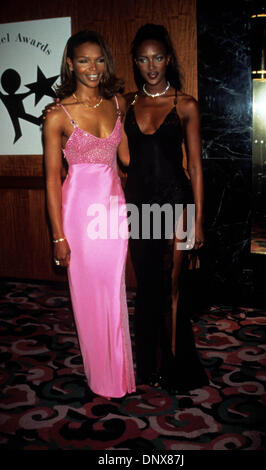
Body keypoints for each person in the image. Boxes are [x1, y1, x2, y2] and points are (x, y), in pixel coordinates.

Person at [43, 30, 135, 399]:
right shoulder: (57, 115)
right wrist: (58, 236)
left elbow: (128, 157)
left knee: (114, 290)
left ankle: (119, 372)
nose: (92, 68)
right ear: (70, 64)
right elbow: (51, 180)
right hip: (79, 216)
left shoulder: (117, 103)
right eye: (84, 60)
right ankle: (103, 376)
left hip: (114, 211)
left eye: (98, 60)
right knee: (89, 295)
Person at [124, 24, 209, 392]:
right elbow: (89, 107)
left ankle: (175, 367)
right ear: (135, 63)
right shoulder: (124, 103)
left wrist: (199, 221)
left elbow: (195, 166)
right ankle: (148, 366)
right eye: (143, 59)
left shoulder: (185, 103)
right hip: (138, 207)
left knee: (171, 285)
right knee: (145, 286)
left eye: (158, 57)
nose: (152, 65)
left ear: (169, 59)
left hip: (175, 203)